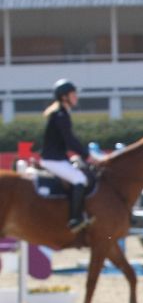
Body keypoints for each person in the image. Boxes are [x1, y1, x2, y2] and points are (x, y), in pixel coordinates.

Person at [40, 79, 93, 232]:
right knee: (80, 179)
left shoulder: (61, 113)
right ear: (64, 97)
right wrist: (86, 155)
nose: (76, 97)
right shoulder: (60, 115)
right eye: (73, 94)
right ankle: (75, 219)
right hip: (53, 160)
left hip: (57, 158)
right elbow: (69, 140)